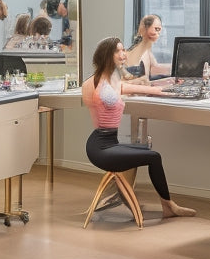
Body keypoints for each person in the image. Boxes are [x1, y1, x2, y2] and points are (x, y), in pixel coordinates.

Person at [82, 36, 196, 218]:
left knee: (146, 148)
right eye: (118, 51)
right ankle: (169, 206)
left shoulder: (112, 81)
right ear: (106, 55)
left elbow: (140, 89)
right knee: (154, 157)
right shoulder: (95, 83)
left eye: (123, 50)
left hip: (109, 142)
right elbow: (98, 97)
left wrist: (167, 89)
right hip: (100, 147)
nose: (123, 54)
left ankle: (128, 197)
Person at [124, 14, 171, 81]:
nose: (160, 34)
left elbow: (155, 66)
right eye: (157, 29)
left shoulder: (147, 51)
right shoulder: (139, 50)